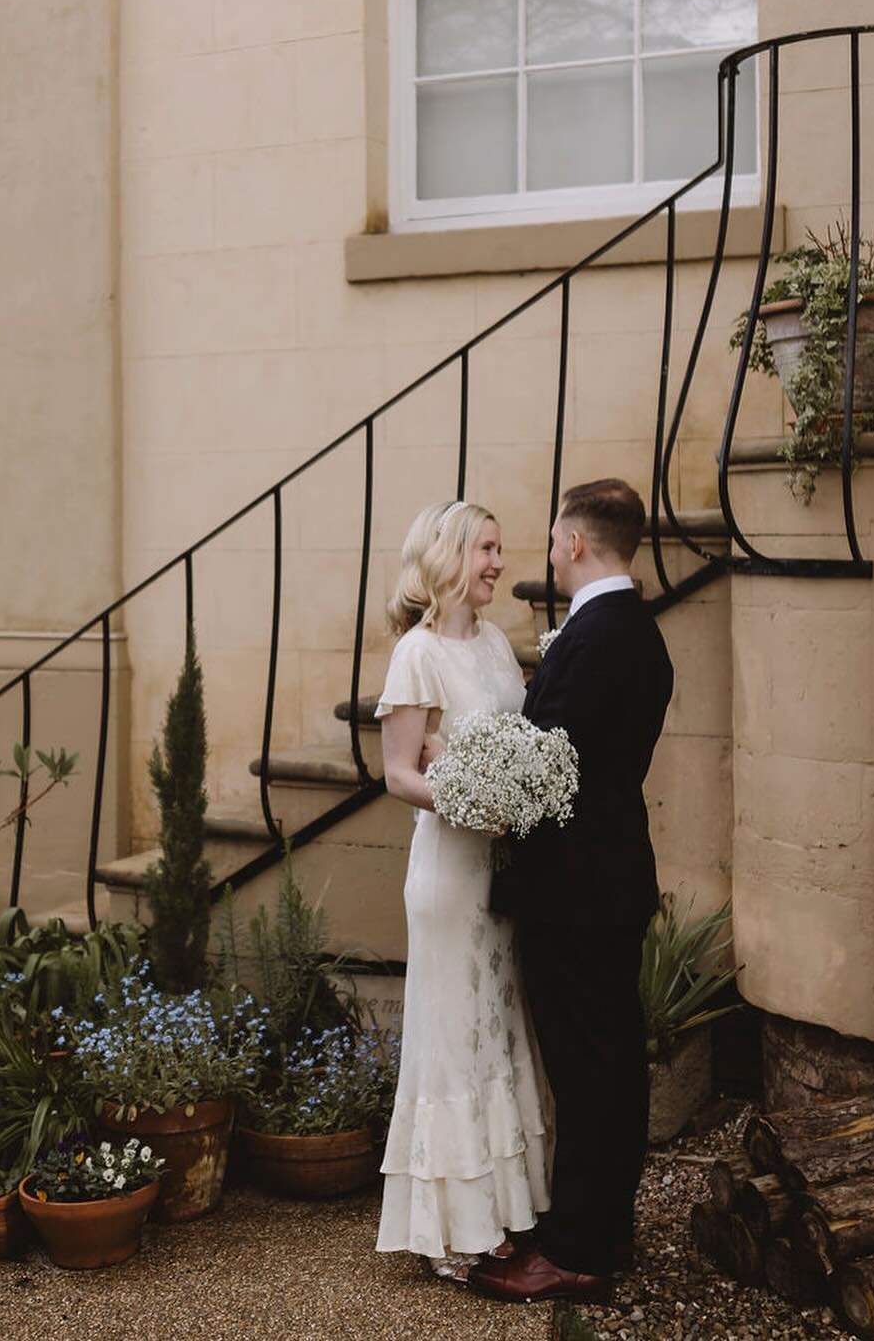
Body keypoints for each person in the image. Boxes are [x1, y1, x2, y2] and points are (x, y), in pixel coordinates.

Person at [470, 478, 673, 1307]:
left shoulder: (596, 639)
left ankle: (577, 1252)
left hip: (578, 893)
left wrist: (475, 785)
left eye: (554, 537)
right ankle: (604, 1227)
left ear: (577, 543)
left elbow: (551, 769)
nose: (548, 550)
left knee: (588, 1071)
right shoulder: (636, 632)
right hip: (610, 882)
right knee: (612, 1063)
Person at [374, 499, 552, 1282]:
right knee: (453, 1037)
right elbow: (399, 773)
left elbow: (520, 738)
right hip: (449, 870)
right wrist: (475, 802)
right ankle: (453, 1232)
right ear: (449, 557)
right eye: (486, 549)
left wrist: (527, 793)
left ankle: (506, 1205)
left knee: (498, 1027)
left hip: (501, 870)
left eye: (500, 550)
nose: (497, 564)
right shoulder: (416, 655)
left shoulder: (495, 645)